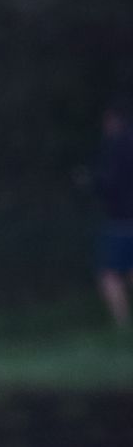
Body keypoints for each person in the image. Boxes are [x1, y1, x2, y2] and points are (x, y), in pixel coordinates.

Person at [95, 101, 133, 331]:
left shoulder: (116, 146)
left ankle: (122, 326)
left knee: (109, 275)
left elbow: (109, 183)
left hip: (120, 220)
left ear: (113, 119)